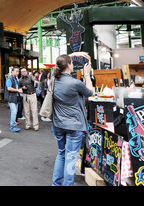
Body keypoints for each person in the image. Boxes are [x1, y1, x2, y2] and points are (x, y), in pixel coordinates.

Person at [51, 52, 94, 186]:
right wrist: (87, 74)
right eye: (71, 62)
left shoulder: (53, 79)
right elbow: (91, 92)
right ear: (69, 65)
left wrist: (74, 54)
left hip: (58, 124)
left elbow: (58, 63)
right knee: (70, 158)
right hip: (74, 125)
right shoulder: (75, 83)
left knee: (62, 154)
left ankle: (56, 184)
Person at [4, 66, 22, 132]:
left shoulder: (15, 79)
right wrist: (18, 90)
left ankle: (13, 124)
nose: (18, 73)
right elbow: (9, 88)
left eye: (18, 71)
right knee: (14, 112)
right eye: (16, 71)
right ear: (12, 71)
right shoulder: (10, 79)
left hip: (15, 98)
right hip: (11, 98)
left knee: (14, 112)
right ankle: (13, 126)